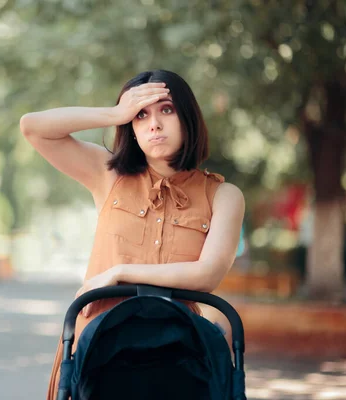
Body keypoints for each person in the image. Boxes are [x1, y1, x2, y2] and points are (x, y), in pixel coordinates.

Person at [19, 69, 245, 399]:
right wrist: (114, 114)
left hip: (178, 360)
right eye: (141, 115)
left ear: (188, 118)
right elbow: (32, 127)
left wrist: (120, 273)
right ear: (132, 129)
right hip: (97, 355)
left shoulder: (223, 195)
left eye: (166, 110)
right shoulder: (109, 175)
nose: (154, 123)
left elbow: (208, 274)